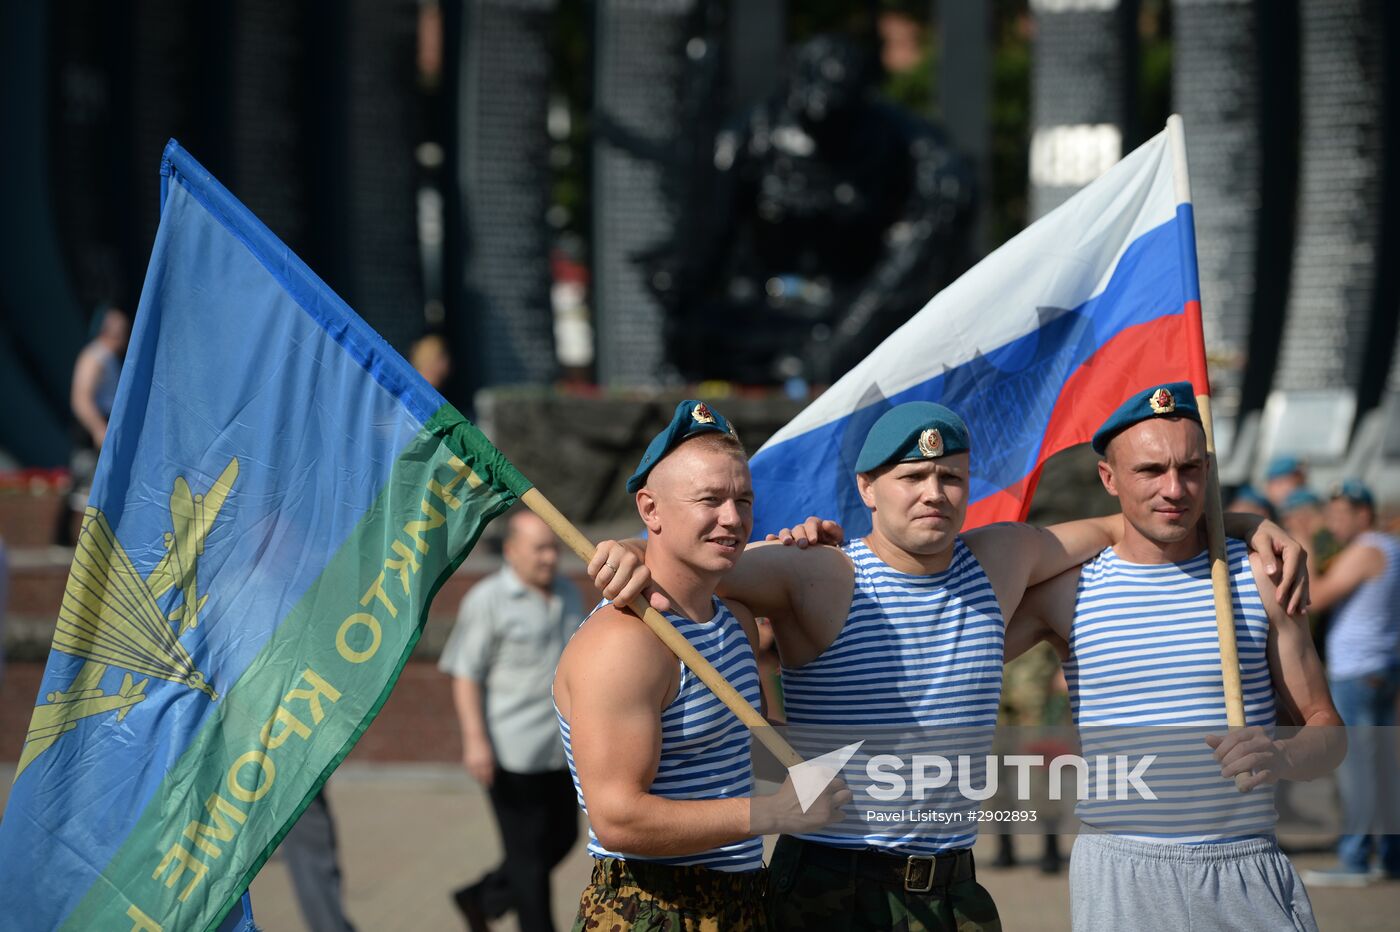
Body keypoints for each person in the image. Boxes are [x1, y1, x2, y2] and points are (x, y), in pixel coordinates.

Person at [592, 400, 1306, 931]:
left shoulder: (1002, 558)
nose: (935, 493)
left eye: (951, 476)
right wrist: (627, 545)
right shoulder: (813, 574)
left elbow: (1142, 520)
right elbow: (690, 552)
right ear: (866, 489)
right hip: (833, 882)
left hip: (955, 888)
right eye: (913, 477)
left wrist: (1248, 523)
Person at [1007, 383, 1344, 932]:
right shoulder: (1068, 591)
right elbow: (947, 650)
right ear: (1108, 478)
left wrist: (1281, 755)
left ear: (1208, 469)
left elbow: (1328, 730)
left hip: (1243, 865)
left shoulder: (1257, 575)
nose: (1174, 489)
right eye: (1150, 470)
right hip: (1120, 873)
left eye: (1190, 468)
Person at [554, 400, 849, 931]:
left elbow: (740, 747)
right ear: (651, 511)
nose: (732, 519)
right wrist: (773, 814)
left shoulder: (732, 619)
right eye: (709, 500)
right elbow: (618, 816)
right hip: (650, 908)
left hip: (741, 900)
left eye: (743, 500)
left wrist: (867, 760)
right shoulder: (626, 642)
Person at [440, 509, 585, 932]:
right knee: (528, 861)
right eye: (539, 549)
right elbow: (466, 673)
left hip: (559, 750)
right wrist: (475, 741)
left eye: (553, 548)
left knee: (562, 840)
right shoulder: (487, 599)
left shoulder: (567, 594)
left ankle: (480, 897)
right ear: (511, 550)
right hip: (510, 752)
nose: (549, 558)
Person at [1298, 480, 1400, 886]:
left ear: (1363, 514)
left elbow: (1314, 597)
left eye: (1342, 514)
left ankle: (1355, 858)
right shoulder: (1388, 547)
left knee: (1357, 770)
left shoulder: (1366, 550)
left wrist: (1302, 546)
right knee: (1380, 768)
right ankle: (1389, 857)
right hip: (1376, 670)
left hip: (1359, 674)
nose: (1334, 522)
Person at [61, 304, 130, 545]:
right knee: (83, 487)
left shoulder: (109, 358)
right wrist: (98, 428)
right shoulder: (96, 356)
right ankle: (68, 540)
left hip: (104, 425)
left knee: (92, 485)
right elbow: (81, 398)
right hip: (94, 430)